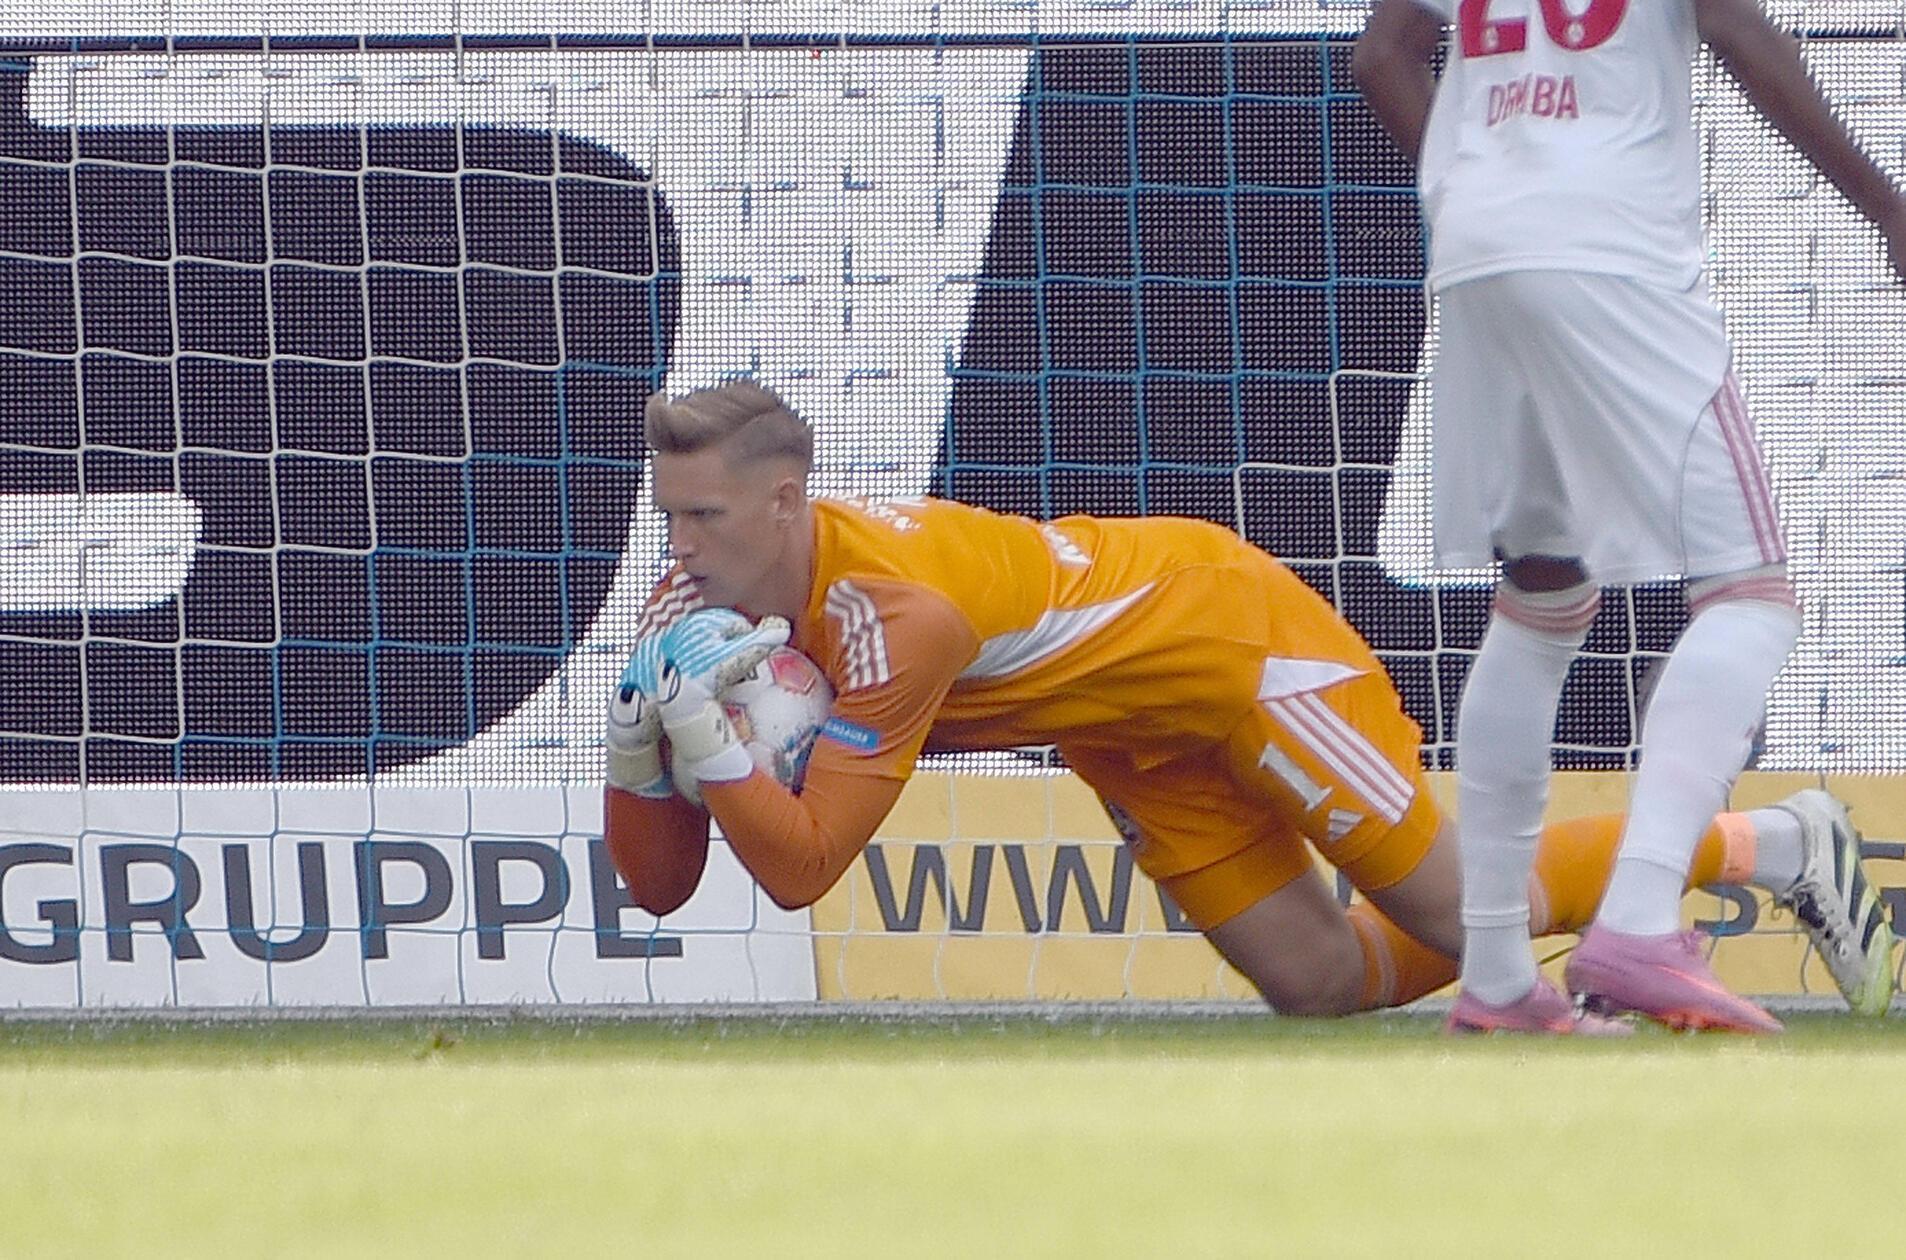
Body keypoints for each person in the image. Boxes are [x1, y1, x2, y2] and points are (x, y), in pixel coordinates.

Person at [602, 380, 1894, 1029]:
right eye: (669, 516)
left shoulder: (897, 618)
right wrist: (633, 751)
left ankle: (1773, 842)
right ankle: (1658, 905)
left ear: (784, 504)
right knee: (1320, 986)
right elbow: (660, 890)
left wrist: (708, 743)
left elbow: (801, 871)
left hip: (1226, 645)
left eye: (703, 515)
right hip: (1122, 727)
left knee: (1445, 910)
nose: (680, 545)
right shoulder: (700, 610)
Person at [1353, 0, 1905, 1030]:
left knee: (1539, 599)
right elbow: (1740, 33)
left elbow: (1382, 55)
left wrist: (1490, 187)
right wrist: (1884, 205)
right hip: (1609, 247)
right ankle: (1641, 922)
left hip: (1477, 249)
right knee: (1750, 594)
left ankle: (1497, 977)